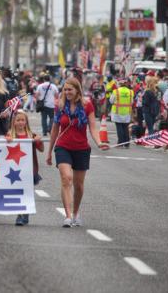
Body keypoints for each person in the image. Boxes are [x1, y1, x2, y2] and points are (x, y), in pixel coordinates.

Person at [46, 78, 109, 228]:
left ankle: (75, 213)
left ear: (77, 90)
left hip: (81, 148)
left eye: (70, 90)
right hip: (63, 146)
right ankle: (67, 216)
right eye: (65, 90)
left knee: (79, 185)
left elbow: (93, 127)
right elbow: (55, 129)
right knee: (66, 178)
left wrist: (99, 142)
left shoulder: (87, 105)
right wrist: (49, 152)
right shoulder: (59, 105)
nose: (67, 92)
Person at [5, 110, 43, 226]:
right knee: (18, 192)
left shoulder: (31, 135)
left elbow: (41, 149)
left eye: (23, 120)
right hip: (14, 171)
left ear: (26, 122)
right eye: (18, 120)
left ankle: (24, 213)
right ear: (13, 122)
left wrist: (38, 141)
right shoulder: (9, 135)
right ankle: (20, 214)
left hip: (29, 169)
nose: (21, 122)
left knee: (27, 192)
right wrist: (7, 141)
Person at [109, 79, 134, 147]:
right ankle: (126, 143)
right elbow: (132, 102)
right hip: (127, 112)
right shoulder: (130, 92)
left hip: (117, 112)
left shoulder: (116, 91)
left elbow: (111, 101)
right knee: (125, 127)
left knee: (119, 127)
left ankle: (120, 142)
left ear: (119, 84)